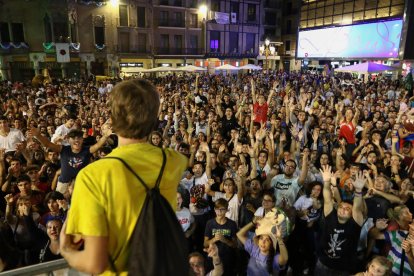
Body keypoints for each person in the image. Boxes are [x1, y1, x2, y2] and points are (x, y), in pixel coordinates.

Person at [59, 79, 188, 274]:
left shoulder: (92, 176)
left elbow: (95, 263)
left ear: (112, 119)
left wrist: (66, 250)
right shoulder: (174, 161)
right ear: (154, 118)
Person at [315, 165, 365, 276]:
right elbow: (328, 199)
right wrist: (327, 182)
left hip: (342, 269)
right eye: (341, 207)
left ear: (352, 214)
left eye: (347, 209)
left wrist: (358, 190)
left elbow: (356, 207)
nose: (343, 210)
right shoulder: (330, 215)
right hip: (323, 263)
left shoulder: (355, 223)